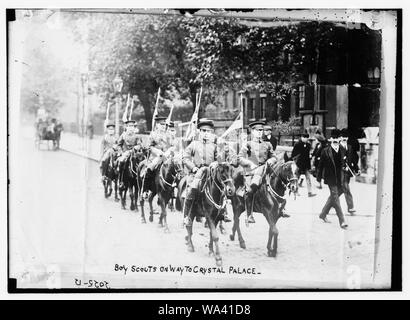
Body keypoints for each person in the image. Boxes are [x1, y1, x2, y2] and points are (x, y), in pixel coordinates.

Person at [182, 119, 231, 226]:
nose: (206, 133)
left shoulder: (214, 146)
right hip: (196, 173)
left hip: (211, 172)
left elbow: (220, 160)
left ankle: (224, 213)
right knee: (192, 190)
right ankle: (187, 216)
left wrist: (217, 161)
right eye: (204, 131)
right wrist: (193, 167)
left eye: (209, 131)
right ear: (199, 131)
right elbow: (185, 158)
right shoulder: (194, 144)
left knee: (221, 188)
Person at [238, 120, 278, 224]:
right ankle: (249, 214)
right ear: (252, 132)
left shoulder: (267, 144)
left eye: (261, 131)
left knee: (277, 183)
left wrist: (270, 160)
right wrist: (249, 163)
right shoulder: (248, 144)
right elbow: (240, 158)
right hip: (251, 172)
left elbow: (274, 157)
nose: (260, 132)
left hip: (265, 170)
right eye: (257, 131)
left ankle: (280, 208)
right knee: (250, 190)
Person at [316, 129, 348, 229]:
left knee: (334, 197)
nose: (335, 140)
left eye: (337, 138)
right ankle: (342, 221)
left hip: (340, 178)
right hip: (330, 178)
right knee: (335, 197)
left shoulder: (343, 149)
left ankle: (323, 214)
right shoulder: (325, 151)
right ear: (331, 139)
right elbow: (320, 165)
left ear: (340, 139)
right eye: (333, 138)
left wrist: (345, 167)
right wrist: (318, 178)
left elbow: (344, 161)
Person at [142, 116, 171, 199]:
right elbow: (148, 147)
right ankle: (145, 190)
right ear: (157, 125)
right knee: (150, 168)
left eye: (164, 124)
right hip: (155, 156)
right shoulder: (153, 134)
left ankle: (171, 189)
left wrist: (168, 152)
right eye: (161, 124)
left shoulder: (168, 135)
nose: (163, 126)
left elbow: (172, 146)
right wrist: (157, 152)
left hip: (166, 156)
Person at [117, 119, 143, 187]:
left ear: (134, 128)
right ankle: (121, 180)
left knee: (141, 163)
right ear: (127, 127)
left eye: (132, 126)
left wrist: (136, 147)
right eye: (129, 126)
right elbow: (119, 145)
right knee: (121, 162)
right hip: (125, 153)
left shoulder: (137, 136)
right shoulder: (123, 135)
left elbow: (140, 145)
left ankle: (140, 179)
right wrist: (121, 152)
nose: (131, 128)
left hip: (134, 153)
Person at [340, 128, 360, 215]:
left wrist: (357, 169)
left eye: (346, 137)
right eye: (342, 136)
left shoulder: (350, 147)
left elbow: (353, 160)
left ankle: (331, 203)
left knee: (340, 190)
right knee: (347, 189)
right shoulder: (337, 147)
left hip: (348, 173)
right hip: (340, 173)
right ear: (340, 137)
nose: (344, 138)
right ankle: (351, 208)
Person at [291, 133, 316, 197]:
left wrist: (310, 160)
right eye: (304, 138)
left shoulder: (308, 145)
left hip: (306, 164)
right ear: (302, 137)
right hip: (299, 164)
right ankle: (295, 191)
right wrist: (296, 162)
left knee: (308, 178)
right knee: (296, 178)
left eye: (307, 138)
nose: (306, 139)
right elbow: (293, 154)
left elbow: (308, 155)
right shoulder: (297, 144)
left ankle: (309, 192)